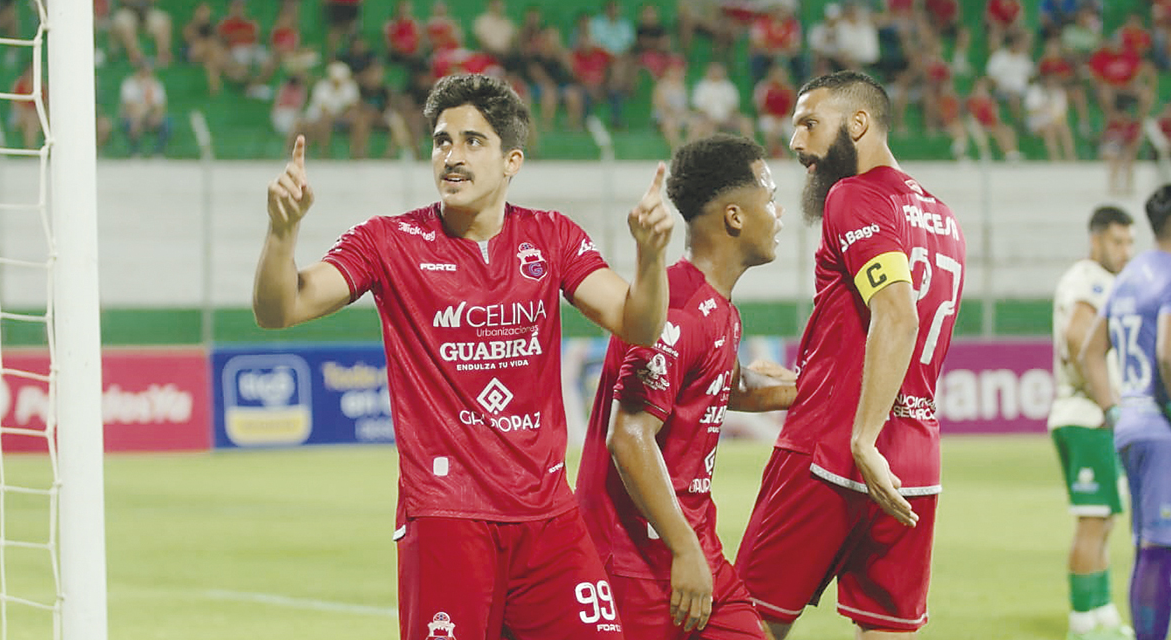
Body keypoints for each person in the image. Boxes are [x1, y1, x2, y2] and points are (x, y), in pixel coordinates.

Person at [254, 73, 674, 640]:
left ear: (511, 161)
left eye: (473, 141)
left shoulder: (551, 237)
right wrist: (283, 232)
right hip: (446, 514)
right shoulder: (388, 241)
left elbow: (638, 322)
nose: (451, 156)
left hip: (549, 516)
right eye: (441, 141)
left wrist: (651, 257)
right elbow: (282, 308)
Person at [736, 70, 967, 639]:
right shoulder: (941, 215)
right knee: (886, 631)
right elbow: (881, 330)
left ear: (858, 122)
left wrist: (861, 438)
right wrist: (817, 375)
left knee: (747, 621)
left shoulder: (854, 195)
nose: (795, 143)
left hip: (834, 450)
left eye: (809, 123)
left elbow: (897, 312)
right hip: (913, 459)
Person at [575, 134, 794, 640]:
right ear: (735, 216)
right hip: (635, 562)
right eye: (769, 194)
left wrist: (817, 390)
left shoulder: (717, 308)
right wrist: (684, 550)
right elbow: (628, 436)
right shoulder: (672, 312)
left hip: (693, 546)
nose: (779, 211)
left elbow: (728, 386)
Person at [1080, 185, 1171, 640]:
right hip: (1162, 426)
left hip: (1132, 425)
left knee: (1147, 542)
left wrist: (1115, 409)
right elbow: (1169, 351)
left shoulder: (1132, 275)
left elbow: (1091, 349)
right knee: (1160, 545)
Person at [1050, 205, 1136, 640]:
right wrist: (1110, 404)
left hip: (1091, 416)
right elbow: (1077, 337)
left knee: (1103, 518)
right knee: (1091, 520)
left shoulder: (1106, 282)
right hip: (1085, 414)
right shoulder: (1088, 280)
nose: (1126, 250)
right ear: (1096, 240)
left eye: (1129, 242)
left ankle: (1101, 609)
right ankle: (1082, 621)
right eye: (1118, 241)